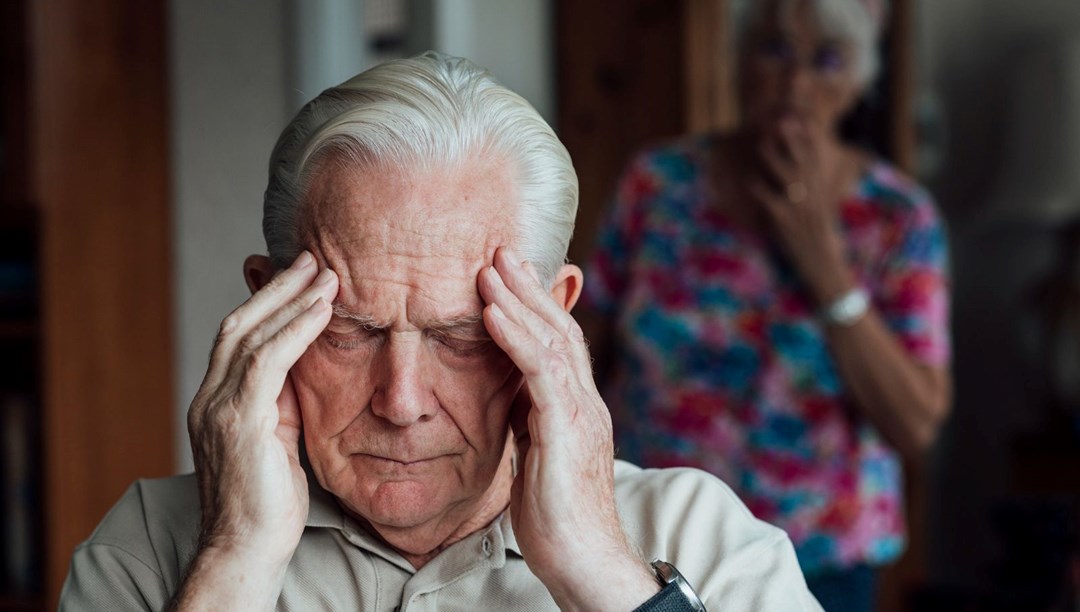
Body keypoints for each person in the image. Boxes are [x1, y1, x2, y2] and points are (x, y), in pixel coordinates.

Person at [59, 53, 821, 611]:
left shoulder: (705, 539)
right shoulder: (152, 547)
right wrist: (232, 563)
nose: (402, 402)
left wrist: (600, 572)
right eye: (351, 331)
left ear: (552, 320)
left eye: (461, 337)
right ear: (265, 309)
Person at [577, 1, 951, 610]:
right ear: (739, 63)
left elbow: (915, 423)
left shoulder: (896, 217)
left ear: (858, 83)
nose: (796, 83)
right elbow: (585, 340)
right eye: (775, 51)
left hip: (821, 557)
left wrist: (822, 261)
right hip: (651, 531)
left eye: (827, 60)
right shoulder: (658, 183)